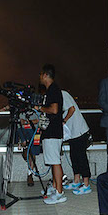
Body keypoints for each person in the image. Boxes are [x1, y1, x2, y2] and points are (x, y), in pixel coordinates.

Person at [34, 64, 66, 204]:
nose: (40, 77)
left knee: (55, 162)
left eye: (41, 74)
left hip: (53, 132)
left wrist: (39, 108)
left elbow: (54, 110)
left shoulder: (53, 89)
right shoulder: (50, 90)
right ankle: (54, 187)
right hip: (50, 132)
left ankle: (59, 193)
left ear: (46, 75)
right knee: (53, 162)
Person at [60, 90, 92, 195]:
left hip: (79, 131)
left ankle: (86, 184)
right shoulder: (57, 97)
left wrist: (64, 120)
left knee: (81, 157)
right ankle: (76, 181)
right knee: (74, 157)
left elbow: (72, 109)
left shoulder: (63, 94)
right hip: (72, 133)